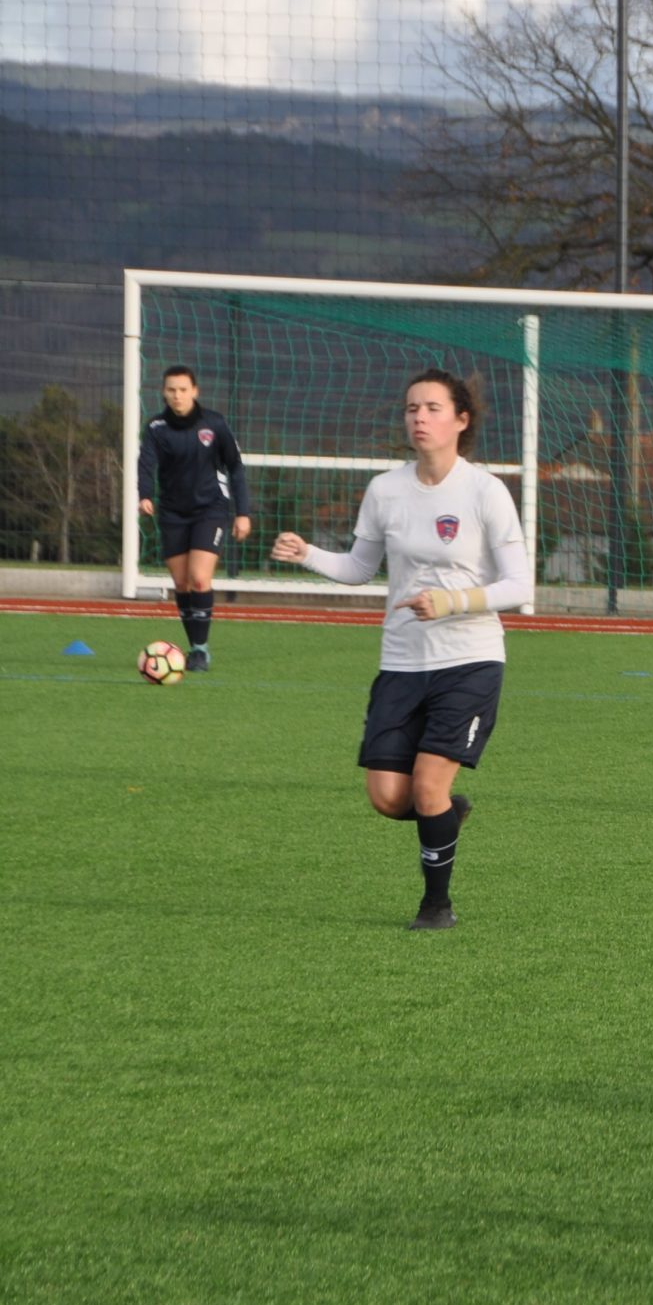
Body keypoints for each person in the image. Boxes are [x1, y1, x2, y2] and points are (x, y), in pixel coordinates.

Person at [270, 370, 530, 931]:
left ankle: (437, 906)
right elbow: (359, 568)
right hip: (402, 663)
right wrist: (308, 553)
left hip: (470, 660)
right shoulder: (385, 490)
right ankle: (444, 819)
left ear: (461, 420)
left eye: (433, 408)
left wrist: (453, 601)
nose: (419, 417)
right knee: (390, 797)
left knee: (430, 785)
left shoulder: (485, 492)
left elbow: (519, 587)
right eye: (412, 408)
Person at [135, 366, 250, 672]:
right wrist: (144, 495)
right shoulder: (156, 427)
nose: (177, 395)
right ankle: (192, 645)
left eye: (183, 389)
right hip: (173, 513)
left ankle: (200, 650)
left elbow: (235, 468)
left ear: (195, 391)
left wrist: (243, 513)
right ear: (164, 392)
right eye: (171, 390)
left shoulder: (214, 423)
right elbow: (146, 464)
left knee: (199, 577)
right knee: (182, 583)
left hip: (210, 509)